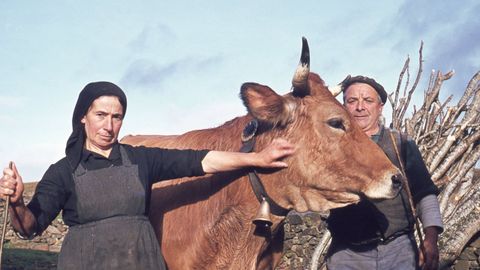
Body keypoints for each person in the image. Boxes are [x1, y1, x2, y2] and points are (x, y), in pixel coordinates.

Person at [0, 81, 295, 270]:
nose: (109, 125)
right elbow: (30, 226)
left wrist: (255, 158)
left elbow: (201, 161)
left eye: (116, 117)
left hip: (141, 262)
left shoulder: (141, 158)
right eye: (100, 115)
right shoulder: (62, 171)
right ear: (83, 117)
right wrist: (16, 202)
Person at [325, 75, 443, 270]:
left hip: (398, 251)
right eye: (352, 101)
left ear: (380, 108)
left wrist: (431, 239)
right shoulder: (330, 147)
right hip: (347, 254)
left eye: (368, 101)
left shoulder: (400, 144)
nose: (360, 107)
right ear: (343, 107)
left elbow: (424, 194)